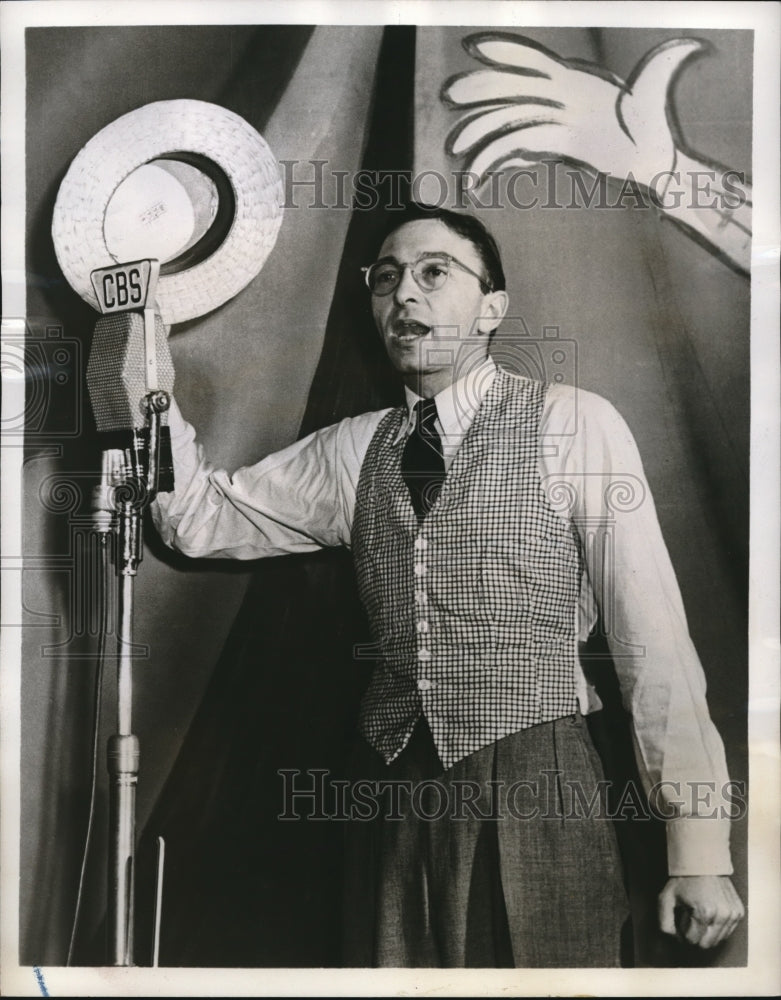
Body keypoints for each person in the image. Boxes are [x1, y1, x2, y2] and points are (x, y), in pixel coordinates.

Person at [152, 202, 744, 967]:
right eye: (385, 278)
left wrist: (698, 849)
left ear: (491, 308)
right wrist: (147, 368)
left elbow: (651, 641)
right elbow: (196, 520)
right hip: (389, 791)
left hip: (538, 783)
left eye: (434, 273)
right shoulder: (352, 448)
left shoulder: (572, 423)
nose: (403, 294)